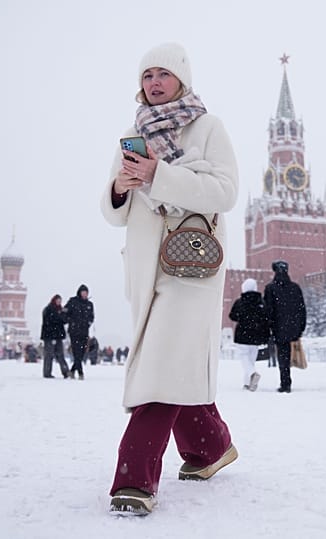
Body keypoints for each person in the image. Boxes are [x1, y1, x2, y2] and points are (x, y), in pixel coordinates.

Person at [100, 42, 240, 515]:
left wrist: (161, 174)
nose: (154, 82)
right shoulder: (132, 133)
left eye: (163, 73)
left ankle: (134, 479)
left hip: (191, 266)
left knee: (160, 366)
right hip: (146, 267)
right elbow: (114, 213)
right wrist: (120, 188)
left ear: (182, 78)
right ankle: (210, 446)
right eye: (147, 75)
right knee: (175, 361)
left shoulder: (208, 127)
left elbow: (224, 191)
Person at [263, 260, 307, 394]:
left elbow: (268, 310)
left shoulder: (271, 288)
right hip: (293, 328)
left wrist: (268, 328)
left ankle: (285, 383)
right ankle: (286, 381)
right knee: (287, 353)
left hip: (278, 328)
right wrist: (300, 327)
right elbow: (302, 309)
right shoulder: (295, 288)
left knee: (282, 355)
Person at [229, 278, 269, 391]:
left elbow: (232, 316)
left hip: (243, 334)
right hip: (256, 335)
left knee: (244, 357)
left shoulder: (240, 302)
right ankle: (248, 384)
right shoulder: (261, 302)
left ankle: (252, 374)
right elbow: (266, 318)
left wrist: (243, 317)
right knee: (251, 359)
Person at [64, 284, 94, 380]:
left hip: (84, 331)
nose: (85, 294)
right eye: (83, 292)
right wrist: (70, 321)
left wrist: (88, 323)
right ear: (80, 293)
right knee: (76, 351)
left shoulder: (89, 304)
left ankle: (72, 370)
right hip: (74, 331)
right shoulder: (73, 302)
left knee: (81, 352)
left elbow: (92, 317)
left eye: (86, 292)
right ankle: (80, 372)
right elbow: (64, 312)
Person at [41, 294, 70, 379]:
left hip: (58, 336)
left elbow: (64, 320)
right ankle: (47, 372)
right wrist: (60, 315)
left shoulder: (60, 310)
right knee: (49, 355)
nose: (59, 302)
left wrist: (64, 314)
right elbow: (50, 321)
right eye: (57, 301)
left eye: (60, 301)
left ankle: (66, 372)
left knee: (60, 355)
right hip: (49, 336)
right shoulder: (48, 309)